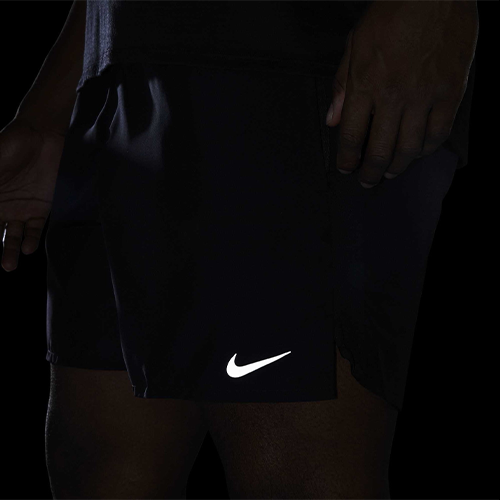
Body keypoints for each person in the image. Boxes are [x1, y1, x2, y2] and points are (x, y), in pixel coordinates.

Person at [0, 1, 478, 498]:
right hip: (117, 74)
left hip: (289, 63)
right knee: (99, 468)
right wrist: (49, 108)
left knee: (294, 470)